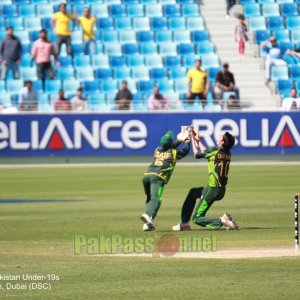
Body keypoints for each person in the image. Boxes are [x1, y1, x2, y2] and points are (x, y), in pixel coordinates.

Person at [172, 130, 239, 231]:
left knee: (197, 218)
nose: (219, 137)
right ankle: (184, 223)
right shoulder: (227, 153)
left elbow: (196, 154)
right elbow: (207, 152)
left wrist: (191, 140)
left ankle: (222, 221)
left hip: (212, 189)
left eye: (221, 137)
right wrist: (198, 140)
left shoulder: (215, 151)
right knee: (193, 193)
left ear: (222, 142)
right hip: (220, 190)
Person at [141, 130, 190, 231]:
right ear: (171, 143)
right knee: (156, 200)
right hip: (157, 178)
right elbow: (185, 151)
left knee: (151, 200)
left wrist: (179, 140)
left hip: (147, 176)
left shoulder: (157, 149)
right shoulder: (174, 153)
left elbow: (169, 146)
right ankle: (148, 216)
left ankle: (148, 223)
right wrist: (187, 141)